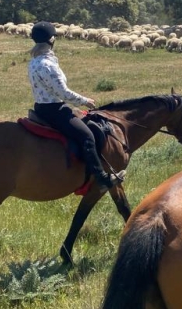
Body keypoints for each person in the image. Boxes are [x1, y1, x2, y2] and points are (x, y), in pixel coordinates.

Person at [28, 21, 124, 190]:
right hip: (55, 110)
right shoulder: (48, 64)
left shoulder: (34, 62)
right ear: (51, 40)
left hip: (41, 107)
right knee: (87, 136)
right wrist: (84, 100)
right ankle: (101, 178)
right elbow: (63, 93)